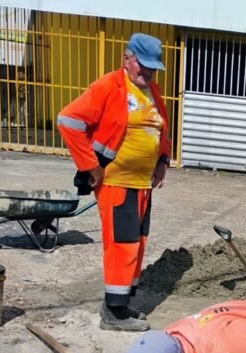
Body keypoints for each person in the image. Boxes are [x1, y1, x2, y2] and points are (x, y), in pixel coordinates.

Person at [57, 33, 172, 332]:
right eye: (143, 65)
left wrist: (162, 160)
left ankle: (121, 303)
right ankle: (113, 313)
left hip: (142, 185)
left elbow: (162, 129)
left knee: (136, 244)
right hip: (117, 182)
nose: (148, 72)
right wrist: (90, 167)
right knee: (122, 245)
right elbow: (68, 120)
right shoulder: (109, 86)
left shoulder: (152, 91)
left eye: (153, 67)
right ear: (127, 59)